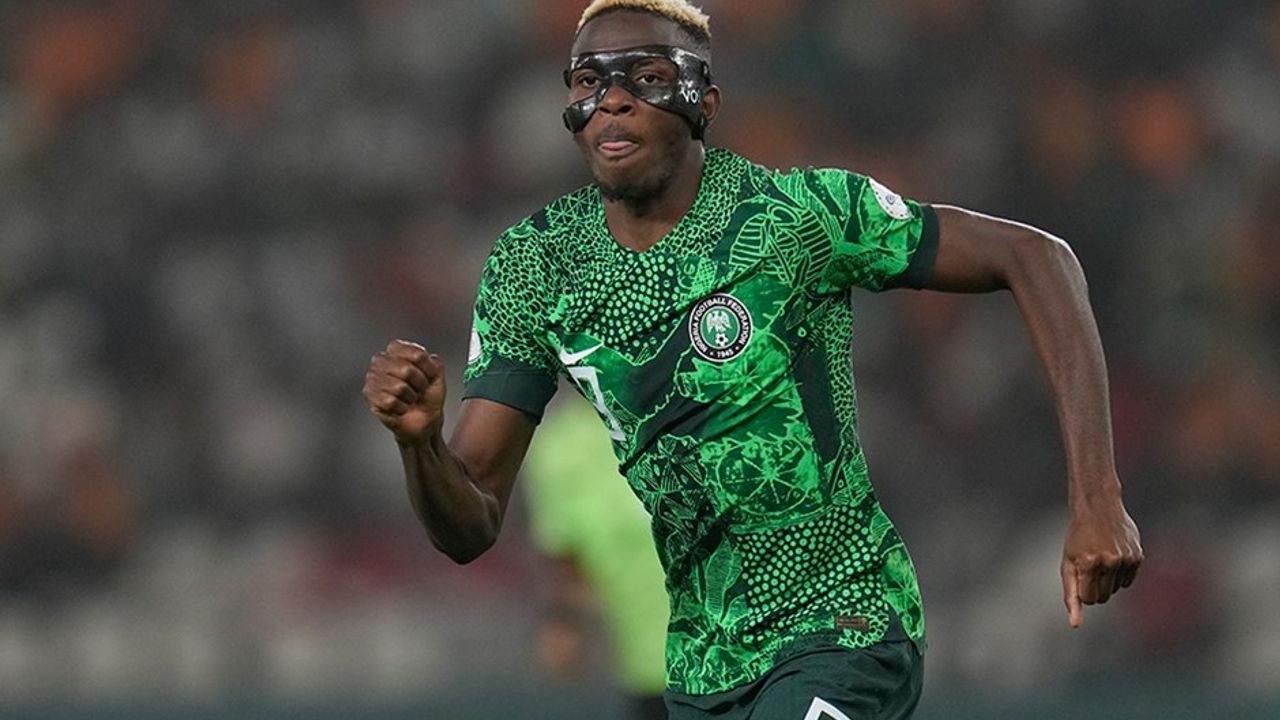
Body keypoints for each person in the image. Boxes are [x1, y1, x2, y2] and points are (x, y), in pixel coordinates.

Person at [361, 1, 1144, 717]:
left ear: (704, 102)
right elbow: (469, 523)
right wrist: (419, 444)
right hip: (703, 669)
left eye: (647, 76)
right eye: (588, 81)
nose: (613, 99)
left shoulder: (797, 216)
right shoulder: (535, 266)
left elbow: (1036, 257)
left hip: (843, 624)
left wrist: (1098, 497)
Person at [524, 393, 669, 720]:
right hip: (653, 668)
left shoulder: (694, 400)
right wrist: (566, 621)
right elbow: (567, 560)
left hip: (754, 654)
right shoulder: (560, 446)